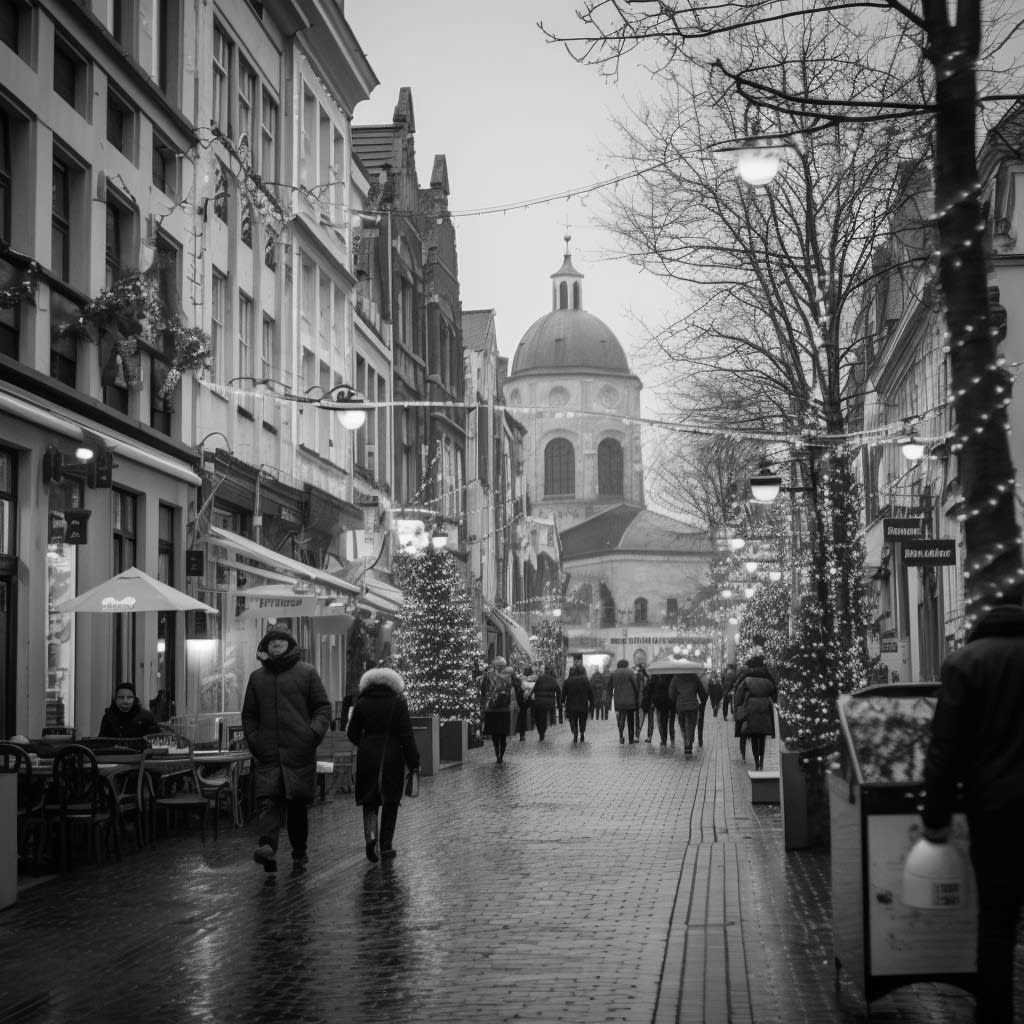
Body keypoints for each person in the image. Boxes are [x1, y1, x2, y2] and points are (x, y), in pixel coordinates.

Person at [921, 603, 1024, 1024]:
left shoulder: (965, 663)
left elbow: (946, 746)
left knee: (997, 921)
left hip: (995, 810)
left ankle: (994, 1013)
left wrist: (936, 815)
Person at [242, 628, 331, 874]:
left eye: (282, 640)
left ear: (290, 645)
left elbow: (322, 708)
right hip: (268, 753)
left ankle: (299, 852)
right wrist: (255, 740)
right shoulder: (257, 678)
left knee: (297, 806)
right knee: (268, 802)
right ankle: (267, 849)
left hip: (298, 752)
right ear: (265, 647)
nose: (277, 644)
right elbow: (249, 715)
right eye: (272, 641)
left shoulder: (307, 673)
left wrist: (311, 735)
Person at [346, 665, 421, 863]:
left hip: (367, 756)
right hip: (392, 756)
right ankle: (386, 845)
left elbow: (352, 732)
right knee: (390, 801)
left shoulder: (362, 702)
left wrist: (364, 743)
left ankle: (371, 837)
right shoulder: (398, 702)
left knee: (369, 800)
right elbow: (406, 734)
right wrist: (414, 762)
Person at [732, 641, 777, 771]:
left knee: (753, 735)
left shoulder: (746, 677)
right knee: (762, 735)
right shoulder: (767, 677)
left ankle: (756, 760)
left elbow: (738, 693)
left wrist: (737, 708)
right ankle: (761, 760)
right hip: (764, 707)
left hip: (750, 708)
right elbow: (774, 692)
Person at [482, 656, 517, 763]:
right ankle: (500, 754)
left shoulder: (488, 675)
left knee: (495, 734)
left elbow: (483, 690)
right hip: (503, 709)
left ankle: (497, 752)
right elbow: (515, 687)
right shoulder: (509, 675)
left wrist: (487, 699)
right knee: (502, 734)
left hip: (492, 709)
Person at [668, 671, 707, 756]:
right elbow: (702, 692)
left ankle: (687, 742)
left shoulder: (676, 677)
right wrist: (702, 701)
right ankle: (689, 743)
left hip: (681, 706)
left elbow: (671, 692)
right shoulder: (694, 677)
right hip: (692, 706)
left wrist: (676, 700)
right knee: (692, 725)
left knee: (683, 726)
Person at [563, 655, 593, 743]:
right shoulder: (586, 680)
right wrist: (592, 702)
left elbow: (563, 693)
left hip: (571, 705)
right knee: (583, 720)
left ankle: (575, 732)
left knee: (573, 720)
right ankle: (582, 733)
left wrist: (562, 701)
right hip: (583, 704)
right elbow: (590, 693)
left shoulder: (567, 681)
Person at [610, 659, 640, 743]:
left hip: (618, 700)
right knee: (631, 720)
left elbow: (610, 686)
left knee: (621, 718)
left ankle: (621, 735)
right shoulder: (630, 672)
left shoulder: (614, 673)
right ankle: (631, 739)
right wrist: (637, 696)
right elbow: (635, 685)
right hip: (630, 700)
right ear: (626, 664)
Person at [531, 663, 561, 740]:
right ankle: (543, 731)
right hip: (549, 702)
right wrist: (559, 703)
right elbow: (558, 691)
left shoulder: (540, 679)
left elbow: (534, 689)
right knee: (544, 718)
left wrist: (531, 696)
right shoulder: (553, 680)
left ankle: (540, 732)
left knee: (539, 718)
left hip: (539, 702)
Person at [650, 670, 676, 746]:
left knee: (663, 722)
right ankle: (672, 740)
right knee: (671, 722)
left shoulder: (656, 675)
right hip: (671, 701)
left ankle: (664, 740)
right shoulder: (673, 675)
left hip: (662, 702)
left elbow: (651, 688)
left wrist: (654, 701)